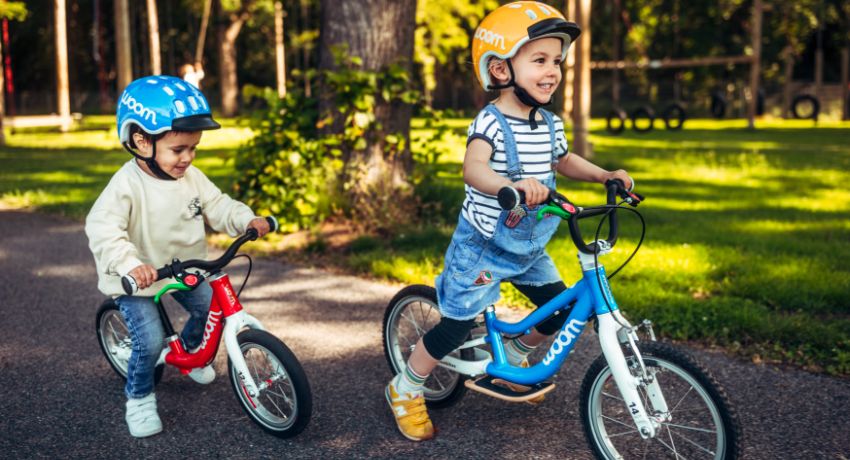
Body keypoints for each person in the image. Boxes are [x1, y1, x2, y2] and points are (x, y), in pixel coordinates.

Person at [385, 1, 634, 441]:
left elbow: (565, 159)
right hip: (483, 244)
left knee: (556, 310)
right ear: (501, 70)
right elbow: (474, 169)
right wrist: (511, 185)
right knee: (456, 327)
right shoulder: (492, 122)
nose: (553, 70)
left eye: (556, 60)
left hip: (529, 244)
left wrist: (604, 175)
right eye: (539, 59)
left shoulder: (549, 122)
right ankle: (405, 387)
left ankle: (515, 356)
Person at [86, 75, 270, 438]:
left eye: (194, 148)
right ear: (141, 141)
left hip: (186, 268)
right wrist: (130, 265)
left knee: (208, 308)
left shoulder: (192, 178)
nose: (187, 157)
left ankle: (189, 353)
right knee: (150, 341)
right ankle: (138, 397)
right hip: (140, 278)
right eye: (178, 149)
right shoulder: (126, 185)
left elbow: (218, 205)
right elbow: (103, 229)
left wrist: (246, 219)